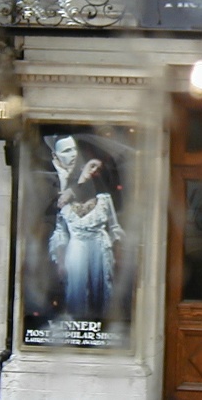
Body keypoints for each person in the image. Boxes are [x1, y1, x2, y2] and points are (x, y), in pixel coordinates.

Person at [46, 134, 125, 318]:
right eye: (92, 165)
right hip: (76, 250)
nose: (95, 171)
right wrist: (60, 261)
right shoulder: (62, 193)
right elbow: (60, 231)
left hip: (100, 250)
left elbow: (115, 229)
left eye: (99, 169)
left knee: (101, 292)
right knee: (76, 291)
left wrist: (118, 255)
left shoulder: (104, 199)